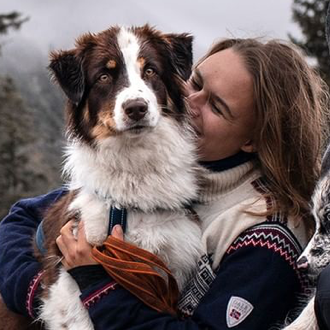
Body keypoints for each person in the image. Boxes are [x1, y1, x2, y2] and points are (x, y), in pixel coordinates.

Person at [0, 37, 329, 330]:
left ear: (253, 140)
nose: (190, 102)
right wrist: (35, 289)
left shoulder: (267, 239)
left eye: (216, 106)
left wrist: (96, 286)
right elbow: (20, 220)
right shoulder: (168, 167)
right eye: (194, 82)